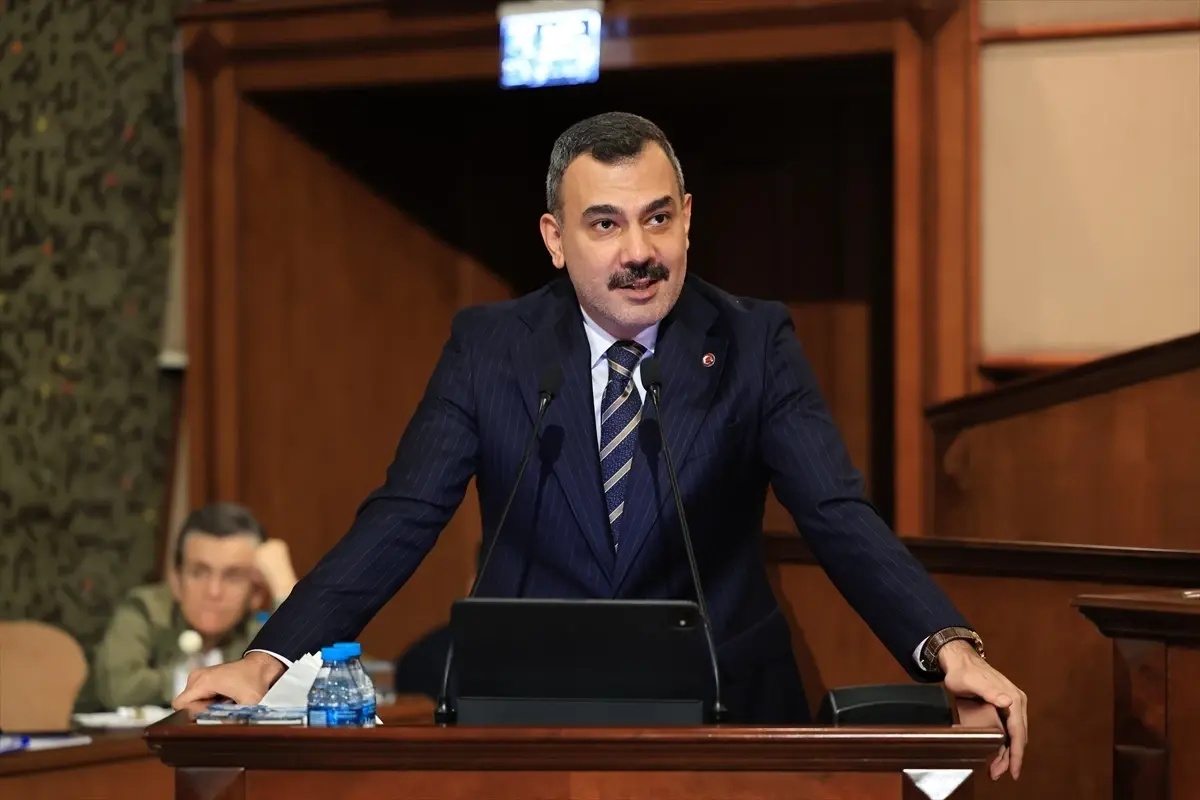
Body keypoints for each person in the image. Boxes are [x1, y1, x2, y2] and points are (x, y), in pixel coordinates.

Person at [175, 112, 1027, 780]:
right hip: (530, 721)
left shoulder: (753, 343)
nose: (639, 253)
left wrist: (947, 648)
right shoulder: (491, 349)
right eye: (606, 224)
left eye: (658, 219)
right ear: (555, 238)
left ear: (688, 220)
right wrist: (267, 659)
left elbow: (836, 511)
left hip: (724, 719)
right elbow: (402, 515)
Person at [94, 502, 298, 708]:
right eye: (199, 573)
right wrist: (209, 681)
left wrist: (284, 588)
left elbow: (304, 685)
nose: (213, 591)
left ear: (256, 593)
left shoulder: (259, 631)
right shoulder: (145, 609)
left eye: (233, 576)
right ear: (176, 580)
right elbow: (118, 689)